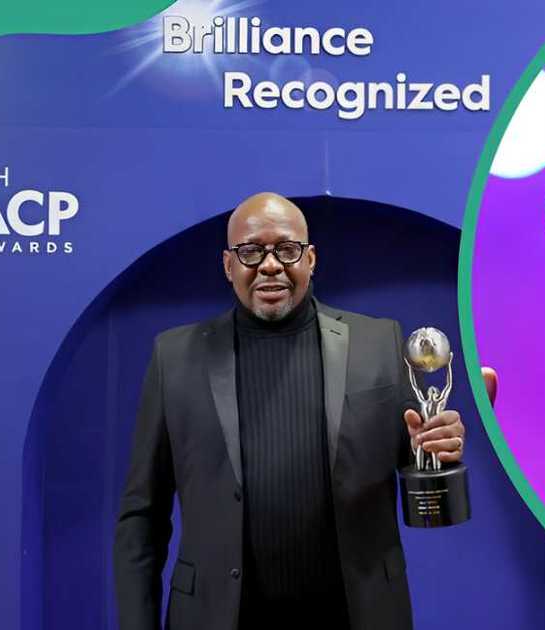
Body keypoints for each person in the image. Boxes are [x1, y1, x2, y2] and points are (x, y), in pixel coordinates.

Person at [113, 192, 466, 630]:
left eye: (286, 249)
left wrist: (437, 449)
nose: (270, 265)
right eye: (250, 251)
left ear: (311, 258)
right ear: (228, 265)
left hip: (356, 614)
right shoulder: (175, 357)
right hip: (217, 617)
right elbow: (141, 517)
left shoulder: (378, 342)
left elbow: (418, 461)